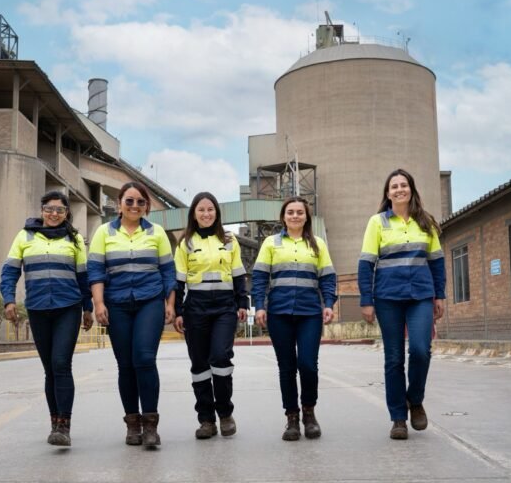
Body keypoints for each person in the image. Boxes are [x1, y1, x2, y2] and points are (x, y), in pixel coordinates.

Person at [0, 190, 93, 447]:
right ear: (41, 211)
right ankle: (54, 422)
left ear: (66, 214)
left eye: (59, 210)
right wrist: (9, 299)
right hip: (38, 308)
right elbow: (9, 271)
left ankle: (64, 424)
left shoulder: (74, 239)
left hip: (68, 308)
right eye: (49, 209)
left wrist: (87, 308)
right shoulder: (25, 236)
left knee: (61, 363)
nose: (54, 214)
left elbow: (83, 278)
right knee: (50, 369)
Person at [357, 168, 446, 440]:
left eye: (403, 185)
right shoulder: (377, 222)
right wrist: (366, 299)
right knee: (393, 358)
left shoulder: (426, 222)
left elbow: (437, 262)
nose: (399, 190)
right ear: (388, 193)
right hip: (387, 298)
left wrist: (439, 295)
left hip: (420, 295)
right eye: (394, 186)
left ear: (411, 190)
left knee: (421, 350)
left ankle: (415, 400)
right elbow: (366, 263)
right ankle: (398, 418)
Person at [88, 181, 176, 449]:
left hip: (150, 301)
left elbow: (168, 271)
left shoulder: (157, 232)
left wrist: (170, 303)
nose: (135, 206)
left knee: (145, 359)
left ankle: (151, 425)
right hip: (116, 304)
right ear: (119, 204)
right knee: (125, 364)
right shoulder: (104, 232)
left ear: (146, 206)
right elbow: (96, 270)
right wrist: (99, 303)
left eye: (140, 202)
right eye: (129, 201)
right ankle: (132, 424)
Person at [252, 196, 337, 441]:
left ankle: (309, 413)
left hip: (310, 313)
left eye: (300, 212)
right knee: (287, 367)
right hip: (279, 313)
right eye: (290, 212)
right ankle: (292, 417)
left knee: (308, 364)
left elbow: (328, 278)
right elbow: (259, 278)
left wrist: (328, 304)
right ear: (283, 217)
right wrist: (260, 306)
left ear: (306, 217)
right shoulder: (271, 243)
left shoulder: (318, 244)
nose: (295, 216)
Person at [172, 192, 248, 439]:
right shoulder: (186, 243)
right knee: (200, 366)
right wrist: (178, 312)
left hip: (225, 307)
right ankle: (206, 420)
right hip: (196, 309)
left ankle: (225, 414)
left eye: (210, 209)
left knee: (221, 357)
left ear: (217, 213)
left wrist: (242, 302)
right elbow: (178, 281)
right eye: (201, 210)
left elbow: (238, 273)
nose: (206, 214)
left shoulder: (229, 240)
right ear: (194, 214)